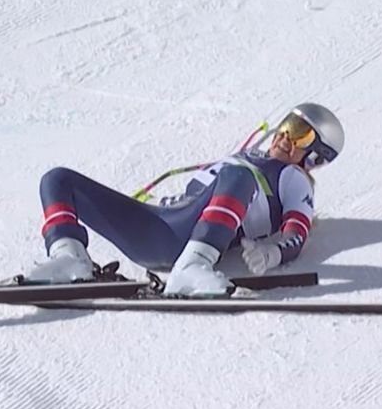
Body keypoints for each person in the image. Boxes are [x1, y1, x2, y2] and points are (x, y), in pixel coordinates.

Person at [25, 102, 344, 297]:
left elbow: (298, 232)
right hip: (155, 225)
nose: (286, 137)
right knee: (58, 179)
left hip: (192, 237)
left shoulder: (293, 178)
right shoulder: (248, 156)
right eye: (287, 126)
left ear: (316, 155)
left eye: (301, 134)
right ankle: (70, 258)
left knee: (240, 177)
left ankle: (193, 266)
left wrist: (272, 253)